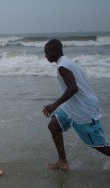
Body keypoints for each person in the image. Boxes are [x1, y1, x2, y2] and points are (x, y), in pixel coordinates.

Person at [43, 39, 110, 170]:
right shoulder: (67, 62)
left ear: (55, 51)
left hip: (83, 109)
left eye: (47, 53)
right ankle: (62, 161)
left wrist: (55, 104)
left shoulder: (63, 66)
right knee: (54, 125)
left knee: (100, 146)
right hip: (71, 106)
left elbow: (73, 88)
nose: (46, 56)